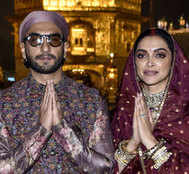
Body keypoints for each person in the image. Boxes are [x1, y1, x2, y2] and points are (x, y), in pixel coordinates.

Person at [0, 11, 114, 173]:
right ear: (23, 50)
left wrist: (63, 130)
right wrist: (41, 131)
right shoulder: (5, 102)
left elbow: (106, 169)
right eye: (35, 40)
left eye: (53, 40)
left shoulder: (91, 100)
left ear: (65, 48)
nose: (45, 47)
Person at [112, 28, 189, 173]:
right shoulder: (125, 109)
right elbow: (110, 170)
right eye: (141, 55)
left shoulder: (185, 108)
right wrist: (132, 144)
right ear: (133, 62)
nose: (149, 63)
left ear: (174, 60)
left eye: (159, 55)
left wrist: (150, 142)